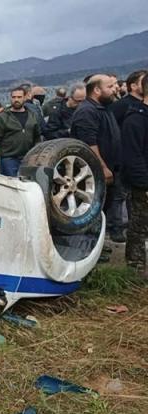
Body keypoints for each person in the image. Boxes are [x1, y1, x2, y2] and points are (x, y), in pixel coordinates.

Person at [71, 74, 125, 243]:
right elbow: (89, 143)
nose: (114, 89)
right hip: (93, 173)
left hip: (110, 169)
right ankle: (87, 246)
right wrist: (102, 167)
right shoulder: (87, 111)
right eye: (109, 87)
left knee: (103, 209)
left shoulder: (103, 108)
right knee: (92, 211)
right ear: (96, 90)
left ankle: (97, 244)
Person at [122, 73, 148, 274]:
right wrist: (144, 185)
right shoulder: (135, 120)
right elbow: (133, 156)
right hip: (143, 183)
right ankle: (135, 267)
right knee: (140, 224)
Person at [0, 87, 42, 176]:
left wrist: (36, 157)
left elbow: (37, 138)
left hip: (28, 158)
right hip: (9, 159)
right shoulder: (3, 117)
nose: (16, 99)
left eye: (19, 97)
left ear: (25, 98)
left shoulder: (32, 116)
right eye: (14, 97)